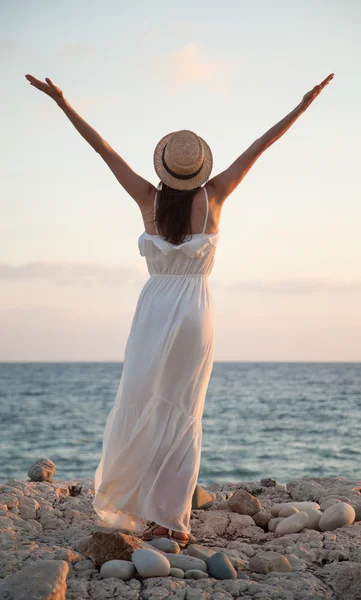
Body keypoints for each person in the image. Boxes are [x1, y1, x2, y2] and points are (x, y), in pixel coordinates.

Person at [25, 72, 334, 547]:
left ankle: (149, 510)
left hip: (154, 309)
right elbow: (260, 145)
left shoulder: (147, 199)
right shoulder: (215, 196)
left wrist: (63, 102)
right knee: (184, 410)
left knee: (145, 401)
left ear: (165, 167)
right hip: (195, 309)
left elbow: (105, 151)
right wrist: (304, 102)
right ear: (199, 169)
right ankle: (172, 518)